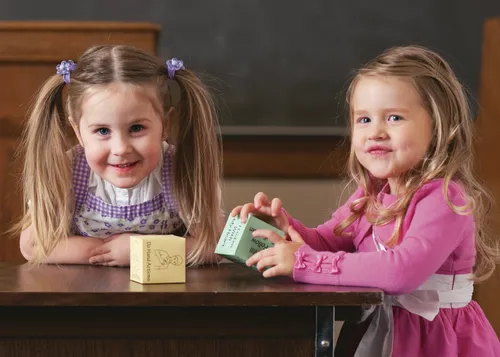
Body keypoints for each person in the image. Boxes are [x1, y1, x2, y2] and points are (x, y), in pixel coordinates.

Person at [232, 45, 500, 356]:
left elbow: (400, 272)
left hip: (435, 342)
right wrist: (286, 230)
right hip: (377, 330)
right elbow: (326, 243)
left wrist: (301, 261)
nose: (376, 133)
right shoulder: (371, 196)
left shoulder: (445, 198)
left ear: (438, 129)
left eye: (395, 117)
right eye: (364, 120)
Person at [16, 45, 224, 267]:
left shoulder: (182, 171)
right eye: (103, 131)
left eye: (136, 128)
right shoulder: (66, 171)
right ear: (78, 132)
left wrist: (143, 251)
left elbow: (217, 244)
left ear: (165, 125)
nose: (121, 148)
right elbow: (33, 245)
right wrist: (99, 252)